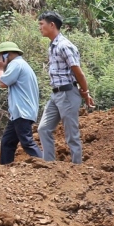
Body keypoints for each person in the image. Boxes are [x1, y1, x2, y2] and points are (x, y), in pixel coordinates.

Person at [35, 11, 93, 163]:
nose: (40, 28)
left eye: (42, 24)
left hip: (67, 93)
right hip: (56, 94)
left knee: (71, 135)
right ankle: (50, 165)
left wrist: (85, 92)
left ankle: (77, 170)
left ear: (52, 25)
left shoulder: (64, 46)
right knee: (43, 129)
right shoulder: (52, 46)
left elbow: (78, 72)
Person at [0, 41, 41, 164]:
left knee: (27, 142)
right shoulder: (22, 64)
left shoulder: (16, 64)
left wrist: (0, 68)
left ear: (6, 55)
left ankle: (47, 165)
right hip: (19, 112)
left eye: (1, 56)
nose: (0, 59)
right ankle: (5, 169)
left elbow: (3, 83)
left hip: (22, 111)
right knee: (7, 142)